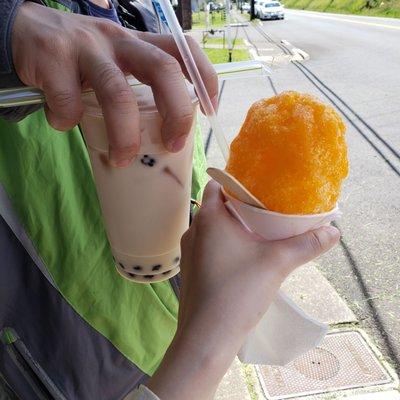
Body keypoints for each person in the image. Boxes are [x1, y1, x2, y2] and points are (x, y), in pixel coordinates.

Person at [0, 1, 340, 399]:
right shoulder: (24, 40)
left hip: (170, 333)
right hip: (53, 366)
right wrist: (7, 26)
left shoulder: (149, 17)